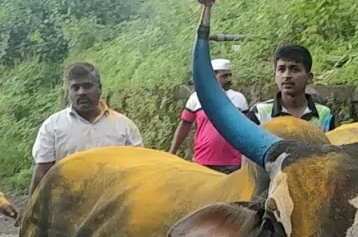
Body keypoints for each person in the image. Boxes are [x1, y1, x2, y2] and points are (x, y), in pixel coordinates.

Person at [30, 62, 143, 196]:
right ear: (68, 92)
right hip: (66, 206)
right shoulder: (52, 126)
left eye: (87, 86)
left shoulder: (124, 126)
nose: (81, 92)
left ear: (99, 88)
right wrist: (31, 211)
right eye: (75, 87)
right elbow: (42, 171)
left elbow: (138, 169)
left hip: (113, 205)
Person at [169, 58, 250, 172]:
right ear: (212, 76)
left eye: (230, 75)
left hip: (232, 164)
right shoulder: (197, 98)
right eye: (224, 76)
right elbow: (184, 126)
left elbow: (247, 132)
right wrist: (172, 152)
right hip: (202, 162)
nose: (229, 79)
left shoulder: (239, 99)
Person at [251, 44, 335, 131]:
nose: (286, 76)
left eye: (295, 69)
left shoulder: (325, 115)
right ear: (275, 76)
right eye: (281, 69)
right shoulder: (260, 112)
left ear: (309, 77)